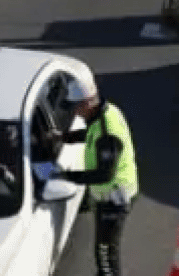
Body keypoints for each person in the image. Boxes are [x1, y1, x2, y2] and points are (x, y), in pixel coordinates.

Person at [48, 75, 138, 276]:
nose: (75, 112)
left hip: (114, 200)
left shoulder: (108, 131)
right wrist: (63, 137)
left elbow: (103, 175)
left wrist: (66, 176)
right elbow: (89, 135)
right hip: (108, 196)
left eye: (77, 107)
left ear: (88, 103)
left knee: (106, 257)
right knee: (103, 252)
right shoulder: (104, 114)